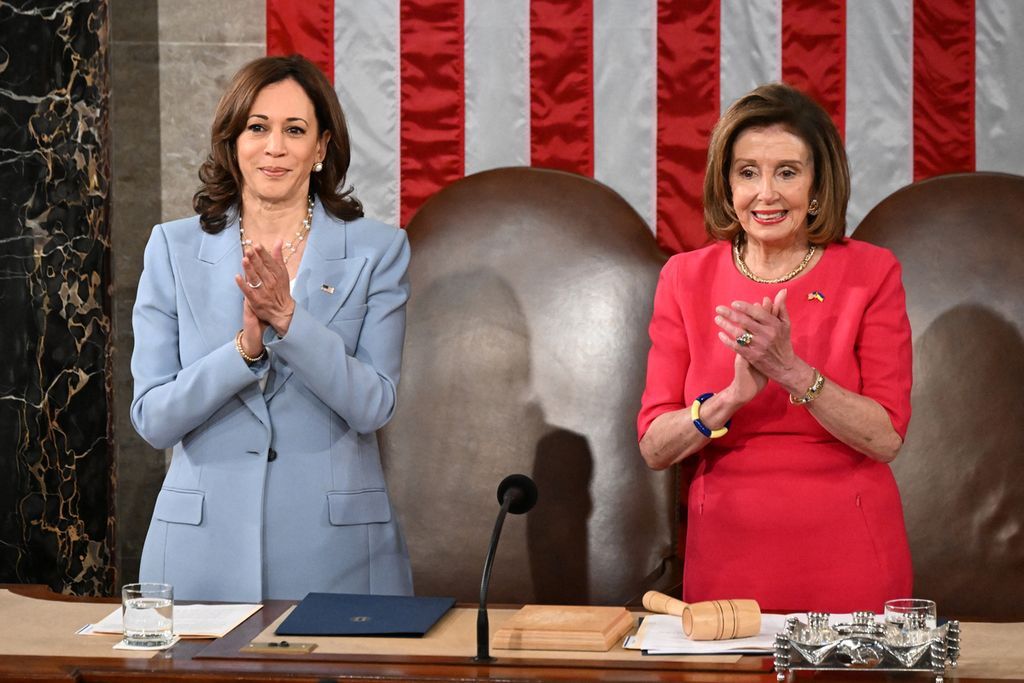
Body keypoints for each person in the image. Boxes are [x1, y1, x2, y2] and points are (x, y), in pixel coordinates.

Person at [130, 55, 413, 602]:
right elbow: (153, 419)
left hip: (340, 560)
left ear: (323, 147)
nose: (275, 147)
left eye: (295, 130)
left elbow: (374, 405)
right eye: (257, 128)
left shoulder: (379, 251)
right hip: (200, 559)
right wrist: (243, 352)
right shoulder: (172, 248)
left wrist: (289, 322)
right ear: (233, 141)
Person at [637, 83, 913, 613]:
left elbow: (886, 438)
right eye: (747, 173)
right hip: (726, 552)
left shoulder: (870, 273)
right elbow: (654, 447)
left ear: (817, 186)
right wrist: (727, 401)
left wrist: (792, 373)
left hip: (849, 550)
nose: (766, 193)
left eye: (786, 172)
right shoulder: (684, 278)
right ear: (727, 185)